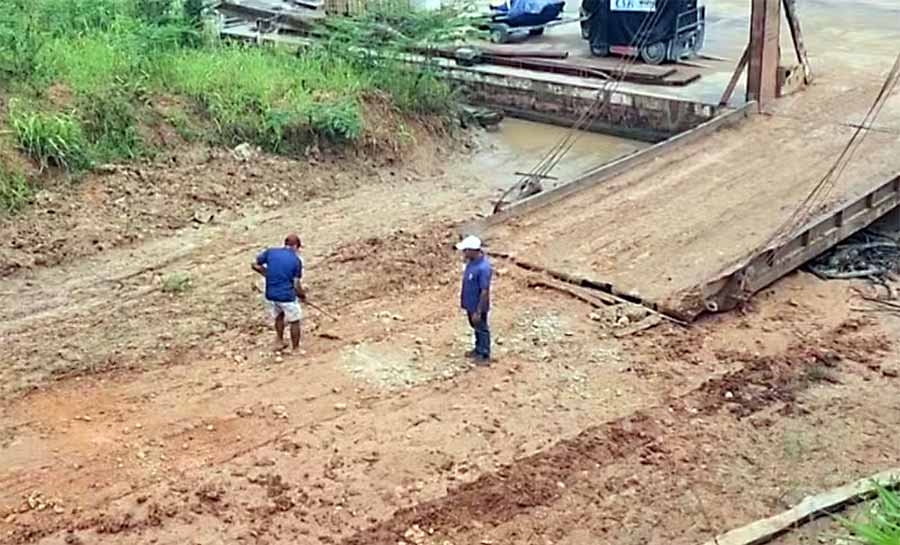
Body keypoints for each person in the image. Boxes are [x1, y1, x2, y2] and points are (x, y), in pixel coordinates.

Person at [252, 234, 306, 352]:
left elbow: (255, 264)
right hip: (287, 295)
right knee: (294, 320)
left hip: (271, 294)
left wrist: (266, 273)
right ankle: (295, 348)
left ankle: (280, 341)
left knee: (279, 316)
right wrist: (302, 296)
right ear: (296, 246)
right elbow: (296, 284)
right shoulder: (296, 261)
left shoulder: (271, 252)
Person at [457, 235, 493, 365]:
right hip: (470, 304)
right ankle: (478, 348)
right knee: (475, 326)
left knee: (481, 328)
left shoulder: (483, 268)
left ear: (473, 250)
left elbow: (484, 290)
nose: (464, 253)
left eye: (466, 250)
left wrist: (478, 310)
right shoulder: (471, 263)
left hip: (478, 305)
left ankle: (484, 353)